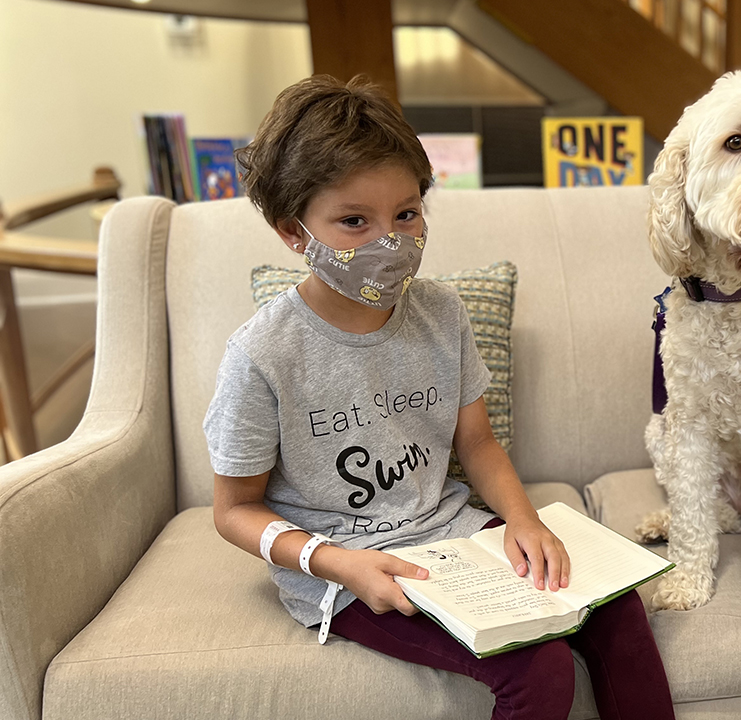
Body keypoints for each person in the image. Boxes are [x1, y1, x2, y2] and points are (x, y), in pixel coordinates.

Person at [203, 75, 675, 720]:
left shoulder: (441, 313)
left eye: (407, 213)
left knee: (616, 610)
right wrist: (336, 562)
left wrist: (523, 520)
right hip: (347, 567)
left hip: (451, 533)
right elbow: (233, 510)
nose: (389, 241)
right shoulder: (261, 355)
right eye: (353, 222)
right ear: (293, 232)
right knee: (538, 668)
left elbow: (475, 442)